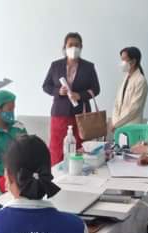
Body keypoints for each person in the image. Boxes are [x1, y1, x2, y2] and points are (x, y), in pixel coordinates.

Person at [42, 32, 101, 166]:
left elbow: (96, 89)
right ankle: (56, 175)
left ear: (81, 47)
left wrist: (80, 95)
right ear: (65, 47)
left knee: (80, 147)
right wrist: (58, 91)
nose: (74, 47)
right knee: (57, 148)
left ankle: (80, 173)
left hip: (81, 115)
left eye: (77, 45)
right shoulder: (55, 65)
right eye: (70, 45)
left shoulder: (89, 67)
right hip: (59, 113)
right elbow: (46, 86)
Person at [111, 47, 148, 132]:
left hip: (131, 127)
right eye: (121, 59)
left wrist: (117, 123)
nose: (122, 63)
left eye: (124, 60)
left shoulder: (140, 81)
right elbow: (117, 102)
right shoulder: (126, 78)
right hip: (119, 125)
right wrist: (115, 121)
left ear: (133, 62)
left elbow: (134, 109)